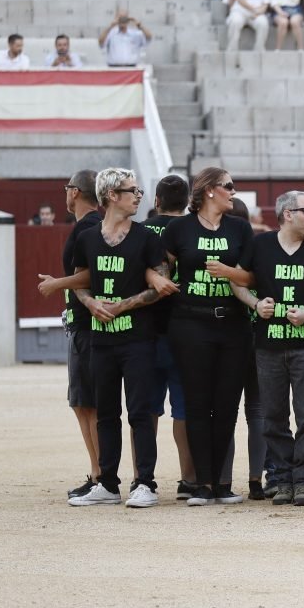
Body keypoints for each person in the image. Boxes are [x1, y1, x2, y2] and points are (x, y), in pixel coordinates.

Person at [64, 168, 175, 508]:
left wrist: (123, 306)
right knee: (107, 413)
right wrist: (90, 302)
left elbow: (162, 283)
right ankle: (108, 483)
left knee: (140, 412)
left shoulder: (145, 237)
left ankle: (145, 483)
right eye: (132, 190)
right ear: (112, 195)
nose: (139, 195)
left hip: (137, 338)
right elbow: (79, 281)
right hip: (102, 339)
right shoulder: (87, 238)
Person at [229, 192, 304, 506]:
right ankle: (281, 480)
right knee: (273, 416)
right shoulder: (261, 244)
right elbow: (236, 281)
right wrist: (255, 303)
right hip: (267, 345)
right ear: (288, 214)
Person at [159, 168, 253, 505]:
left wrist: (228, 272)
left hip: (232, 323)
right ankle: (200, 484)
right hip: (190, 323)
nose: (233, 191)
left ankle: (221, 482)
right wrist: (160, 280)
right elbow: (161, 265)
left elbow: (251, 276)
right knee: (197, 403)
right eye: (229, 186)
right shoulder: (179, 228)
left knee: (227, 404)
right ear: (209, 190)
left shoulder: (240, 229)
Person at [37, 170, 102, 498]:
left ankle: (100, 472)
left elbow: (91, 274)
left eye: (66, 189)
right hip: (83, 323)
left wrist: (57, 284)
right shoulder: (91, 225)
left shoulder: (87, 227)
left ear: (75, 192)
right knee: (84, 402)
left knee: (86, 402)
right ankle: (98, 470)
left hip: (86, 326)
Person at [138, 176, 197, 500]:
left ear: (157, 201)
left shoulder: (142, 230)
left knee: (145, 409)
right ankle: (189, 478)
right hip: (186, 328)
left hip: (145, 330)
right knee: (184, 410)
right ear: (187, 202)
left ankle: (141, 477)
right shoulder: (194, 229)